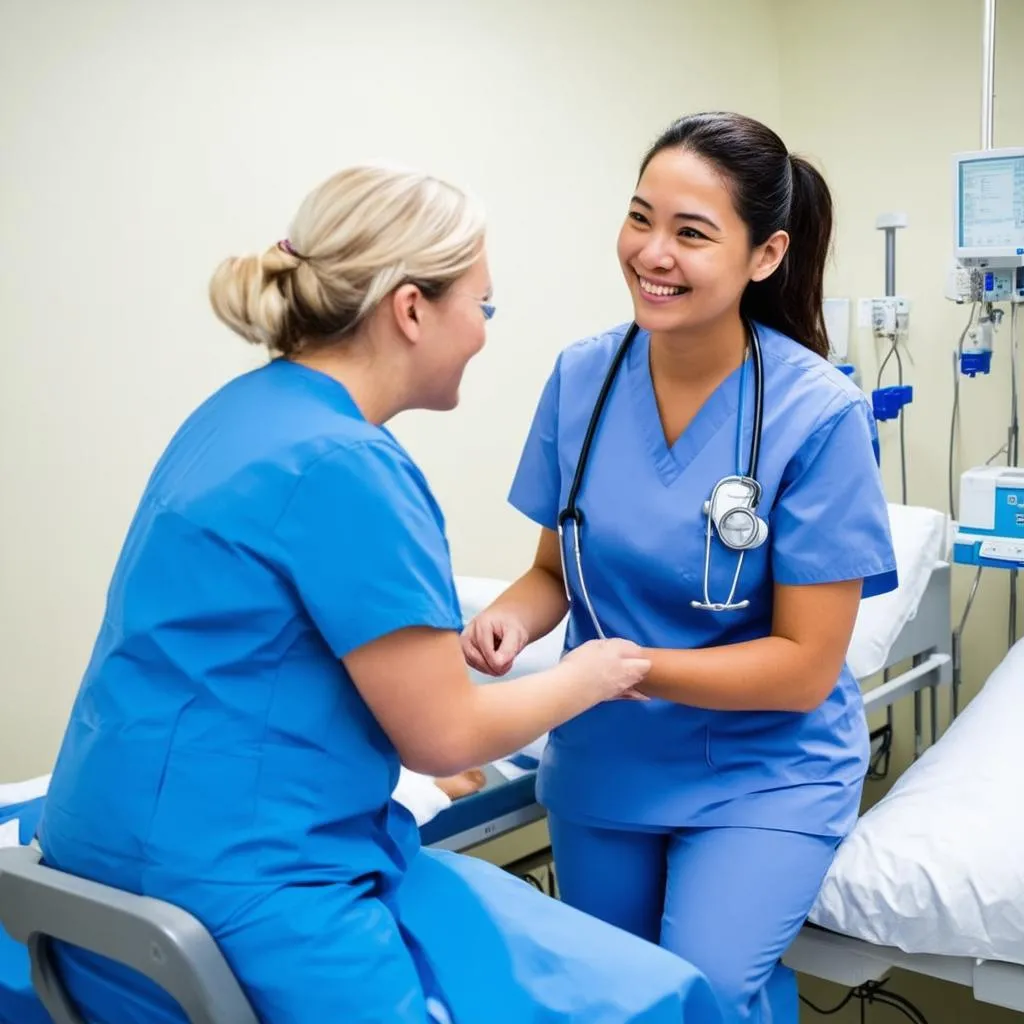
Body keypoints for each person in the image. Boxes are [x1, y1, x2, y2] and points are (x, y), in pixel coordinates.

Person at [36, 166, 724, 1023]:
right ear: (409, 310)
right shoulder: (352, 465)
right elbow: (446, 736)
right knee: (660, 999)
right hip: (241, 898)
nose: (481, 334)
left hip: (86, 876)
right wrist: (594, 673)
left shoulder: (237, 411)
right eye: (482, 306)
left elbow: (251, 653)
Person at [461, 112, 898, 1024]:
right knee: (612, 999)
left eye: (691, 233)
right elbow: (557, 569)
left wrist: (618, 669)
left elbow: (805, 665)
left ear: (765, 255)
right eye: (640, 217)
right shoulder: (582, 378)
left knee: (708, 990)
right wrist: (513, 617)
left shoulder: (817, 416)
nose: (652, 253)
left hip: (763, 767)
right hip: (608, 759)